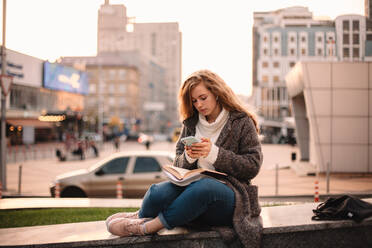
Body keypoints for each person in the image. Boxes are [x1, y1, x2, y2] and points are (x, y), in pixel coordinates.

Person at [105, 70, 263, 247]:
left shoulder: (241, 121)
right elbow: (178, 163)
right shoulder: (191, 124)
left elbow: (253, 165)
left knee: (205, 188)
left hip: (232, 196)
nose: (199, 105)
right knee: (157, 191)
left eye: (203, 98)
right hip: (193, 188)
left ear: (217, 93)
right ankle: (141, 216)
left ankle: (147, 227)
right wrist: (188, 155)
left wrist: (214, 153)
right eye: (194, 101)